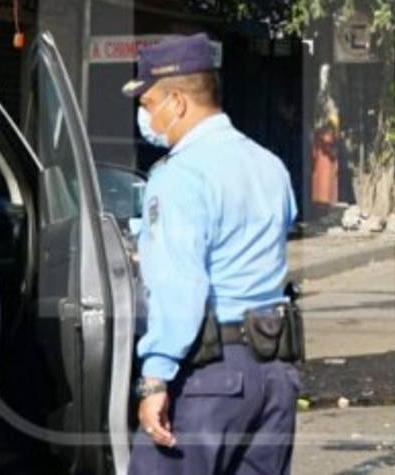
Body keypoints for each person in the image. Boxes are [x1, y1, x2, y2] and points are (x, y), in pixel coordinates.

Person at [123, 33, 301, 475]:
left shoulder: (179, 176)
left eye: (147, 104)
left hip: (211, 379)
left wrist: (154, 379)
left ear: (177, 102)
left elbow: (181, 287)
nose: (144, 117)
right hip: (274, 373)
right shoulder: (270, 165)